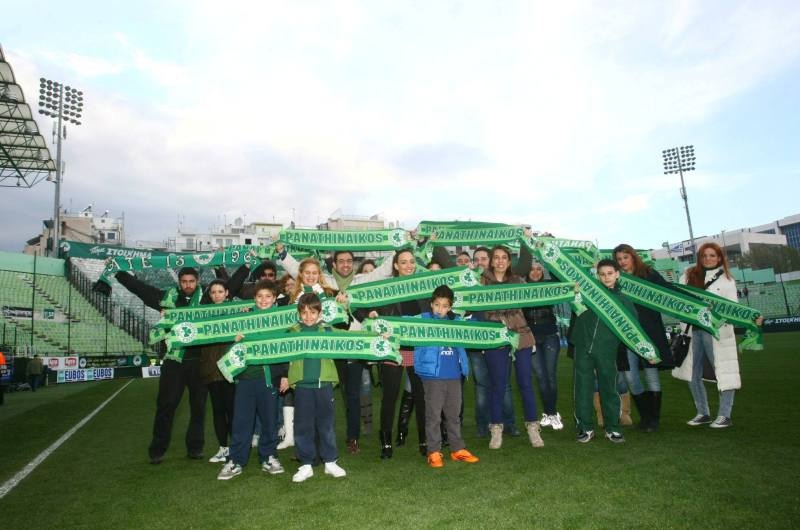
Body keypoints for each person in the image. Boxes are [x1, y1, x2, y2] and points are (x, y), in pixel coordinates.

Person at [276, 245, 395, 456]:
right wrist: (282, 252)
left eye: (349, 261)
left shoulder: (362, 281)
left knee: (353, 395)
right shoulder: (325, 284)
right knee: (322, 398)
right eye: (341, 261)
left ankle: (352, 438)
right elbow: (300, 269)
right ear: (334, 264)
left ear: (354, 263)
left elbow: (384, 270)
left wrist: (401, 248)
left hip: (351, 344)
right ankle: (314, 446)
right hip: (327, 351)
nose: (346, 264)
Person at [114, 266, 221, 464]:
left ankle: (196, 448)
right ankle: (157, 450)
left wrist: (223, 266)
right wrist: (119, 274)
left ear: (197, 281)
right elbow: (141, 289)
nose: (188, 285)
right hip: (174, 362)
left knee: (198, 408)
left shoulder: (207, 298)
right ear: (179, 283)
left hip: (199, 362)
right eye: (184, 281)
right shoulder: (167, 298)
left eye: (191, 281)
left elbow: (228, 289)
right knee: (166, 406)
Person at [673, 242, 753, 429]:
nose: (708, 259)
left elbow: (733, 308)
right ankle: (703, 413)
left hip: (717, 333)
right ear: (699, 257)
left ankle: (725, 415)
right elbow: (678, 299)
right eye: (704, 255)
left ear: (719, 258)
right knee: (692, 373)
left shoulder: (727, 280)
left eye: (712, 255)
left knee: (724, 372)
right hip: (693, 331)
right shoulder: (688, 275)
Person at [361, 249, 430, 458]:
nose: (409, 266)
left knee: (421, 397)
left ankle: (424, 441)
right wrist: (370, 313)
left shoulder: (422, 287)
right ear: (396, 266)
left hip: (417, 349)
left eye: (412, 262)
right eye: (404, 262)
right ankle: (386, 443)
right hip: (392, 349)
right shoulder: (386, 289)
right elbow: (360, 305)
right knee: (390, 397)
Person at [217, 280, 288, 480]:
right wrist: (235, 342)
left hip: (268, 379)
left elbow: (287, 349)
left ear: (275, 299)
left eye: (268, 296)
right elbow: (230, 354)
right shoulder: (245, 320)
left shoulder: (280, 322)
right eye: (259, 296)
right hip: (246, 380)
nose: (263, 300)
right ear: (254, 298)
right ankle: (236, 460)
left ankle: (269, 457)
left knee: (269, 421)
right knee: (241, 421)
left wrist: (285, 374)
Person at [478, 245, 542, 449]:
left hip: (520, 334)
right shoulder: (480, 282)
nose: (499, 261)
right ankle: (496, 430)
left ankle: (533, 428)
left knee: (525, 382)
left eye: (504, 257)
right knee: (498, 384)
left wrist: (527, 241)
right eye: (495, 257)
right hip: (494, 337)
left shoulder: (518, 280)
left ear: (509, 260)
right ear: (490, 260)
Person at [571, 259, 636, 443]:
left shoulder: (624, 300)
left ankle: (613, 428)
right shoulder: (588, 294)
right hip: (583, 346)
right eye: (602, 274)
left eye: (609, 273)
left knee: (609, 388)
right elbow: (576, 307)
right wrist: (575, 294)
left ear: (617, 274)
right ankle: (585, 428)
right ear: (597, 276)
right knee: (583, 388)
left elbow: (633, 328)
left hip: (607, 349)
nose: (606, 277)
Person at [414, 285, 479, 468]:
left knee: (453, 414)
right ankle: (433, 451)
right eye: (436, 305)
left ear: (450, 307)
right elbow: (403, 325)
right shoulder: (423, 320)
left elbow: (476, 329)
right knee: (433, 415)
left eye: (444, 306)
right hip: (433, 376)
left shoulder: (456, 321)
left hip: (454, 375)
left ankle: (457, 449)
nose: (440, 309)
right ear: (431, 304)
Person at [613, 244, 673, 432]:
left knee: (651, 375)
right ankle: (646, 416)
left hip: (649, 333)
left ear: (633, 257)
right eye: (619, 259)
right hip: (627, 334)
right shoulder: (615, 279)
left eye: (625, 257)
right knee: (631, 377)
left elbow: (668, 291)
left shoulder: (649, 274)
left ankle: (653, 420)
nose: (622, 262)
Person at [287, 293, 346, 482]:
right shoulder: (293, 331)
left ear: (319, 313)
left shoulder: (327, 330)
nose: (308, 316)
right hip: (303, 385)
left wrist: (376, 335)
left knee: (326, 424)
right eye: (304, 312)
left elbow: (352, 337)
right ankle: (306, 463)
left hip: (324, 384)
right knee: (303, 425)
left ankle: (330, 461)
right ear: (299, 313)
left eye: (312, 312)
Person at [523, 262, 564, 430]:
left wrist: (547, 257)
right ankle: (548, 413)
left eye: (539, 269)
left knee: (550, 376)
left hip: (549, 335)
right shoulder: (519, 287)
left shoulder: (550, 286)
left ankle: (552, 413)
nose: (535, 272)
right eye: (532, 268)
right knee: (540, 376)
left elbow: (560, 276)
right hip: (529, 336)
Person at [201, 279, 238, 464]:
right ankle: (223, 448)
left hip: (229, 370)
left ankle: (236, 448)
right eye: (213, 292)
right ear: (210, 295)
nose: (217, 295)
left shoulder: (235, 313)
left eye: (220, 291)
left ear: (227, 293)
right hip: (210, 371)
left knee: (232, 410)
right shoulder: (202, 316)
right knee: (218, 410)